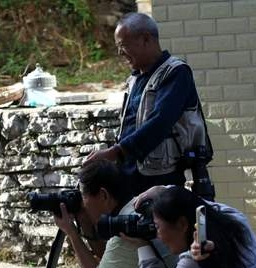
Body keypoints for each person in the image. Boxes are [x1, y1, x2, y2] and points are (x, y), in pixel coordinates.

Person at [84, 12, 208, 196]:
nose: (119, 53)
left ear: (146, 39)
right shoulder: (134, 79)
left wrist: (116, 152)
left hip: (162, 180)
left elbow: (160, 122)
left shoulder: (176, 73)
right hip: (130, 177)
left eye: (123, 45)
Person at [52, 159, 176, 268]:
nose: (83, 205)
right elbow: (107, 260)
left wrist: (72, 233)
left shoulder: (128, 232)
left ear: (103, 195)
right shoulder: (135, 210)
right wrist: (86, 225)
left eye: (84, 198)